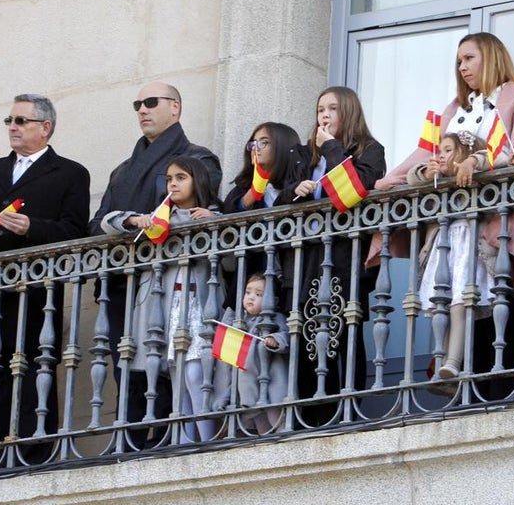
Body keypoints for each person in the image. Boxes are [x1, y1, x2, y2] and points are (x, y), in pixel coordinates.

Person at [373, 32, 514, 386]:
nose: (462, 67)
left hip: (493, 225)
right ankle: (452, 372)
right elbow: (427, 156)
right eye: (459, 61)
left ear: (492, 58)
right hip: (449, 228)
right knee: (451, 302)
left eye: (469, 58)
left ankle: (496, 390)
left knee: (496, 310)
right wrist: (409, 175)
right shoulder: (453, 111)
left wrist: (482, 162)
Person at [0, 93, 90, 468]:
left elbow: (75, 231)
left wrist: (32, 228)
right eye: (9, 120)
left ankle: (34, 455)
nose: (12, 127)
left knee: (32, 371)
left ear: (45, 128)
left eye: (21, 121)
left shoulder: (70, 173)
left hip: (36, 293)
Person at [89, 82, 222, 437]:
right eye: (137, 104)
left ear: (175, 108)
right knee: (127, 368)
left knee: (172, 366)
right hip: (123, 282)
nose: (142, 110)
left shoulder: (199, 158)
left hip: (172, 281)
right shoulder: (122, 170)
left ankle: (166, 438)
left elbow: (197, 211)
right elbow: (95, 224)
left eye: (151, 102)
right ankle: (129, 442)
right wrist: (132, 220)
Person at [286, 85, 386, 424]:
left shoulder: (370, 150)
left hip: (346, 256)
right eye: (319, 110)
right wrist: (294, 192)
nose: (324, 116)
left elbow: (354, 191)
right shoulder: (302, 156)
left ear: (349, 112)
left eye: (332, 109)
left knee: (345, 329)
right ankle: (309, 415)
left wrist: (331, 147)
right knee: (305, 332)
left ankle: (346, 412)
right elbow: (280, 205)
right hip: (307, 259)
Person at [119, 156, 223, 444]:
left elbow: (228, 263)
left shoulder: (213, 214)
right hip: (169, 306)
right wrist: (132, 219)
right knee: (178, 378)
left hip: (199, 305)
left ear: (197, 181)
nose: (173, 183)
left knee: (195, 374)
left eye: (181, 177)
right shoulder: (159, 219)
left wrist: (216, 222)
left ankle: (208, 442)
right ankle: (185, 441)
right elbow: (108, 223)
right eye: (169, 179)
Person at [409, 133, 493, 380]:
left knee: (460, 303)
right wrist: (425, 172)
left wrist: (471, 163)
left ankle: (454, 361)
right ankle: (442, 361)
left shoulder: (475, 169)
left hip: (466, 243)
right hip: (443, 248)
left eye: (448, 150)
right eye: (440, 151)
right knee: (442, 306)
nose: (441, 156)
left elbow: (496, 157)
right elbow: (411, 177)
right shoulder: (436, 180)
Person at [214, 273, 290, 435]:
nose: (251, 297)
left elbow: (285, 335)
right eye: (248, 292)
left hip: (271, 384)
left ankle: (285, 437)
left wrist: (274, 340)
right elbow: (232, 366)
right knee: (262, 429)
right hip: (249, 390)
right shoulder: (241, 323)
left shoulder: (276, 318)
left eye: (259, 294)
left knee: (277, 421)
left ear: (273, 301)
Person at [221, 122, 309, 213]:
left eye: (264, 142)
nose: (255, 148)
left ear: (282, 146)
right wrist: (245, 201)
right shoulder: (244, 186)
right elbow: (225, 217)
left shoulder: (300, 180)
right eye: (253, 143)